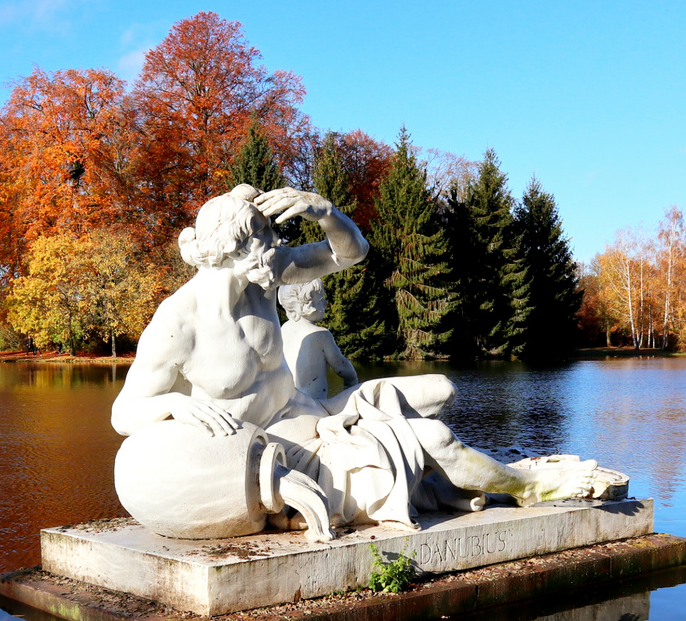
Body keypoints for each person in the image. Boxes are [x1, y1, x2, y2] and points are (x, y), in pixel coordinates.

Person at [110, 185, 619, 539]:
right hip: (284, 452)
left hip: (317, 412)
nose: (280, 253)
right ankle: (533, 486)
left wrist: (324, 210)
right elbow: (123, 414)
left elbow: (350, 253)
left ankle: (491, 479)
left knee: (439, 389)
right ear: (233, 251)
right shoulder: (180, 321)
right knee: (434, 439)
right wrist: (176, 405)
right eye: (268, 243)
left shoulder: (264, 279)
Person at [277, 279, 358, 403]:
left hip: (287, 403)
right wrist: (351, 384)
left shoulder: (284, 329)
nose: (326, 303)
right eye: (321, 299)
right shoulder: (321, 334)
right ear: (307, 303)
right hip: (313, 404)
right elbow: (343, 367)